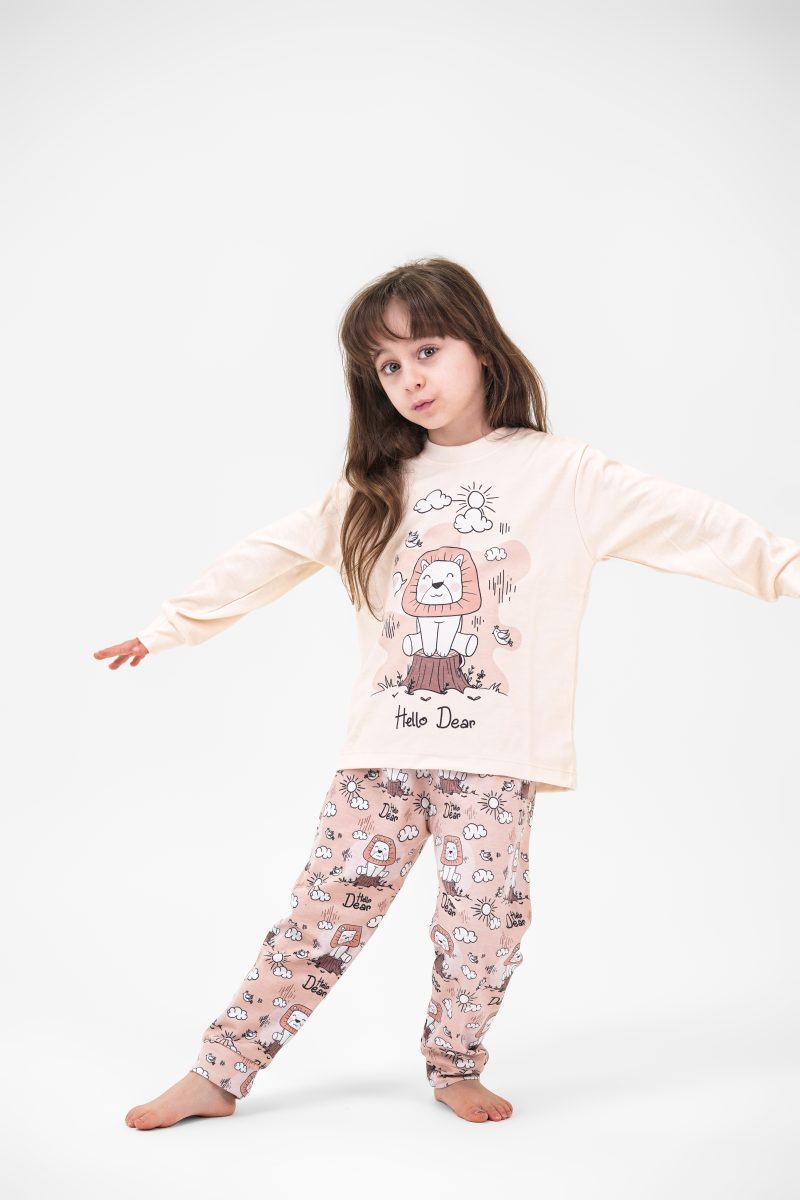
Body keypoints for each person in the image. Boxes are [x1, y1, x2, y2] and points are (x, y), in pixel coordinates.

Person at [95, 257, 800, 1130]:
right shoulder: (375, 486)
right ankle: (220, 1072)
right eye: (388, 365)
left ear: (482, 349)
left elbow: (697, 524)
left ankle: (455, 1062)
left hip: (494, 758)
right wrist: (171, 624)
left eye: (426, 350)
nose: (409, 378)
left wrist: (785, 568)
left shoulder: (565, 474)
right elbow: (272, 553)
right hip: (383, 751)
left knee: (486, 920)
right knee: (319, 916)